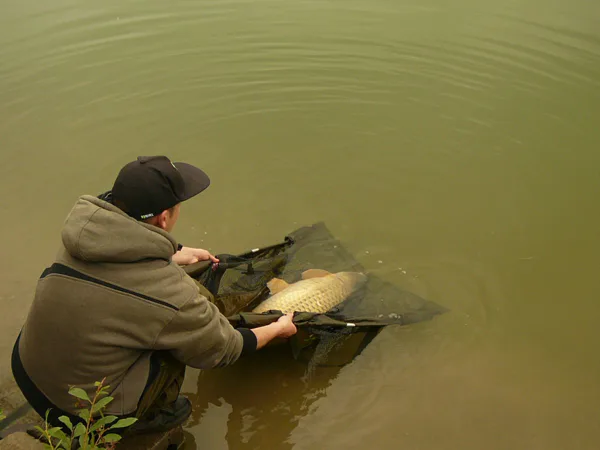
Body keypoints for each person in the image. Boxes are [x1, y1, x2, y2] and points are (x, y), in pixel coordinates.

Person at [11, 156, 297, 435]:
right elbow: (224, 349)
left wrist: (175, 252)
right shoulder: (170, 293)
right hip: (75, 413)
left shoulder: (80, 238)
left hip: (27, 372)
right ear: (163, 218)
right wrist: (276, 329)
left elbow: (118, 265)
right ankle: (151, 417)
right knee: (176, 344)